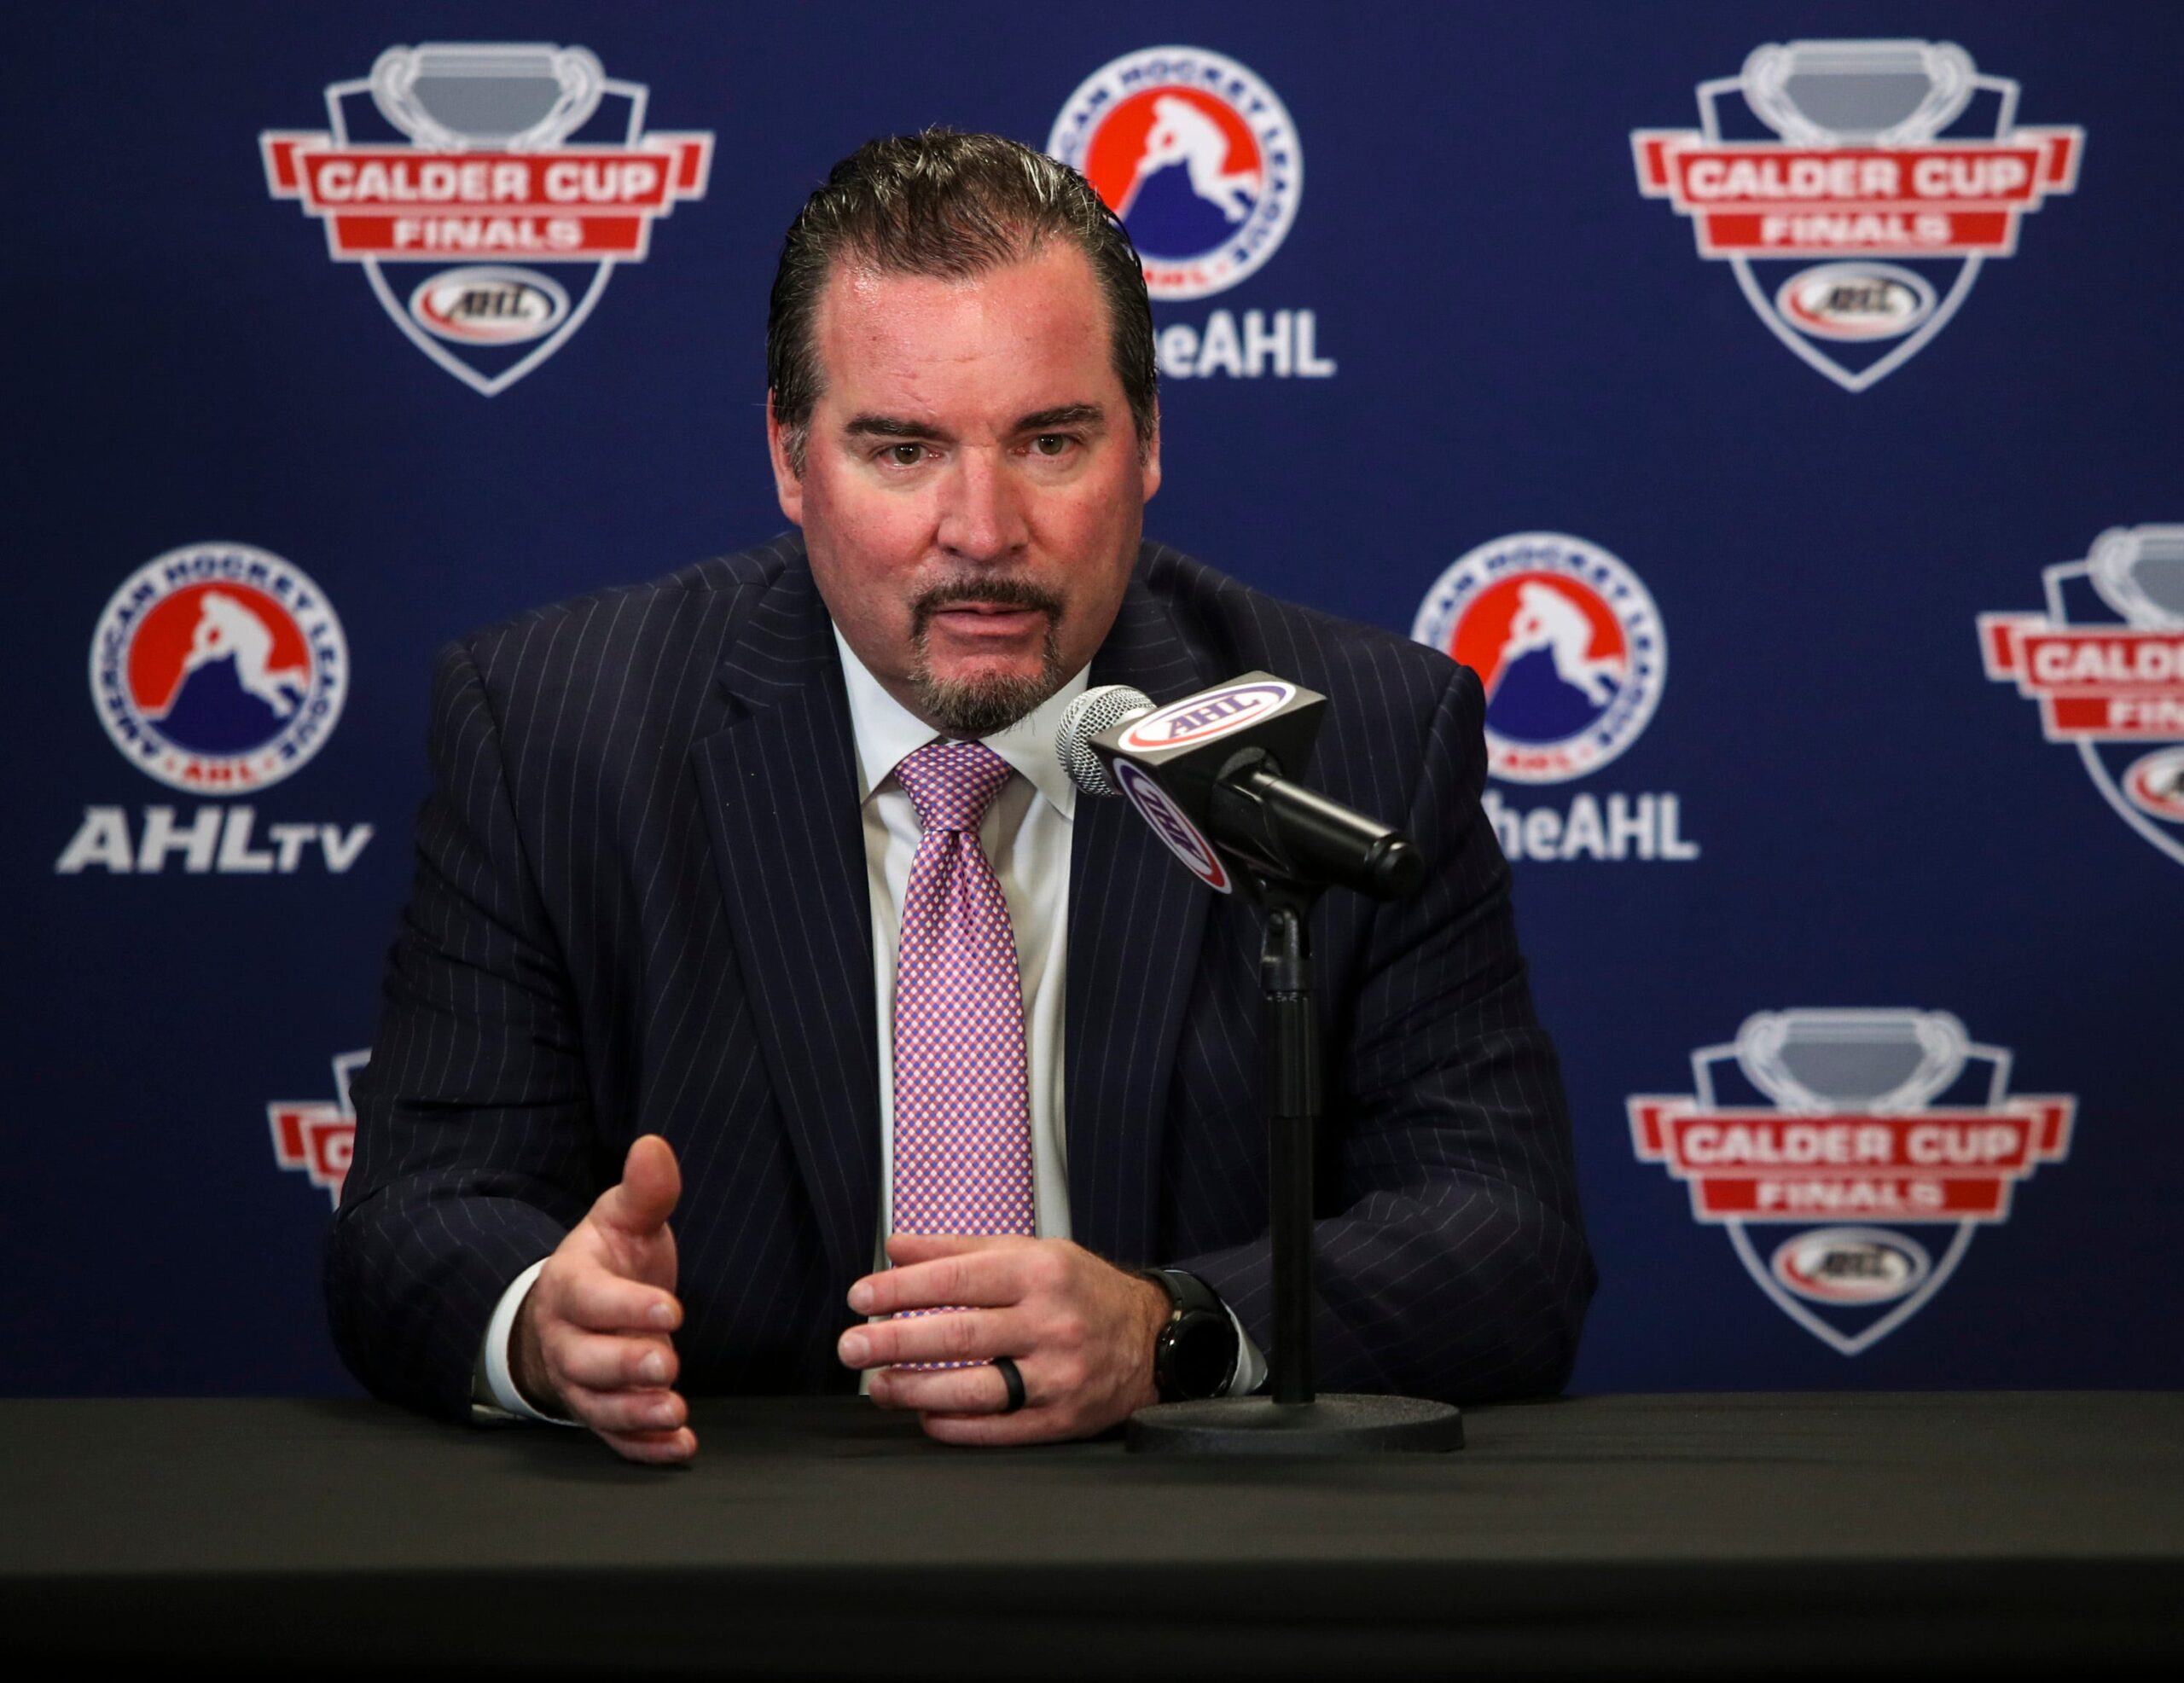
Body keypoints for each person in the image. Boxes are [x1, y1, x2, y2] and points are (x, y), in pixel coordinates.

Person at [328, 131, 1594, 1464]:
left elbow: (1504, 1235)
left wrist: (1170, 1330)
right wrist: (543, 1321)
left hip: (1185, 1536)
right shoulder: (559, 731)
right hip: (730, 1517)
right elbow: (415, 1214)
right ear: (790, 456)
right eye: (902, 449)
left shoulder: (1356, 740)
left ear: (1148, 444)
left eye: (1050, 442)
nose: (983, 531)